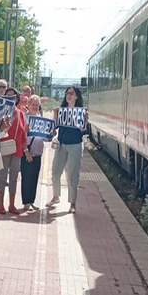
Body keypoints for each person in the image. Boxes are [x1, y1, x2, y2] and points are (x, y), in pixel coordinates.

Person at [48, 86, 87, 214]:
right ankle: (56, 196)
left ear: (76, 96)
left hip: (75, 145)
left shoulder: (80, 112)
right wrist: (55, 114)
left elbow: (83, 130)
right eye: (67, 93)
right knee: (55, 172)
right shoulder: (61, 111)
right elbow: (55, 127)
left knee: (72, 175)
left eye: (71, 93)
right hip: (61, 144)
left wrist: (85, 120)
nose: (68, 95)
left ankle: (73, 202)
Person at [0, 87, 26, 214]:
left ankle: (12, 205)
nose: (11, 99)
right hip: (4, 148)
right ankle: (0, 204)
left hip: (17, 149)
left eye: (13, 97)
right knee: (2, 177)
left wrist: (26, 150)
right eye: (8, 96)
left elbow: (23, 133)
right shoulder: (1, 113)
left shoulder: (20, 113)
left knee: (14, 178)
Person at [21, 95, 46, 212]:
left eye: (37, 105)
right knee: (26, 178)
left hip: (38, 153)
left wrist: (51, 135)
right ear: (28, 105)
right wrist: (26, 152)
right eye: (33, 105)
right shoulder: (24, 118)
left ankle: (31, 201)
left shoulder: (40, 118)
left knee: (34, 178)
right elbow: (21, 137)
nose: (35, 107)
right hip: (27, 152)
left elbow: (44, 138)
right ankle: (25, 202)